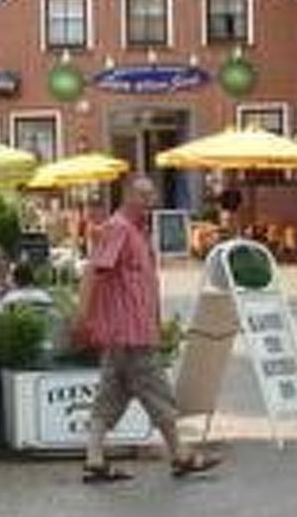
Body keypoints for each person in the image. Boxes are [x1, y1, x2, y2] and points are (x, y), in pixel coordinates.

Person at [72, 174, 222, 484]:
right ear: (127, 196)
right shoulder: (119, 228)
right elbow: (94, 272)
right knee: (158, 393)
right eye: (143, 196)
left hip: (127, 333)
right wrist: (83, 318)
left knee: (110, 397)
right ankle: (180, 455)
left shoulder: (135, 231)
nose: (149, 202)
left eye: (151, 196)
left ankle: (94, 459)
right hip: (131, 332)